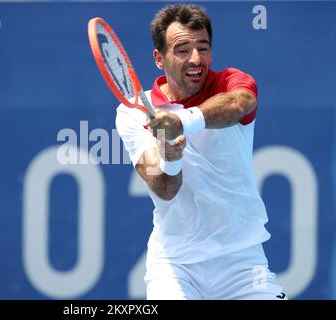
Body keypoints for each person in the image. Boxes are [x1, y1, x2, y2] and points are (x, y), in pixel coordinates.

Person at [115, 3, 287, 300]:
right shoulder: (132, 112)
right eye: (182, 49)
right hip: (175, 266)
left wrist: (181, 122)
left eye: (203, 48)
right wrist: (170, 156)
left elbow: (239, 104)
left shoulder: (232, 83)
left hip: (244, 265)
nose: (196, 59)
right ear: (159, 58)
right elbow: (165, 190)